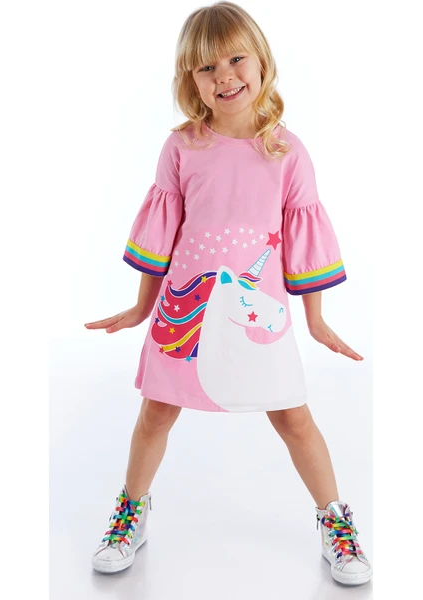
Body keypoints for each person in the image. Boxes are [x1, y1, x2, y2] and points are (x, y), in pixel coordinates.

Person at [85, 1, 372, 586]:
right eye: (206, 67)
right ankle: (130, 514)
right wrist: (142, 307)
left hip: (256, 318)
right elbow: (161, 233)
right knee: (155, 412)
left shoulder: (287, 152)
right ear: (190, 80)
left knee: (293, 419)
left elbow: (304, 237)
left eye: (236, 59)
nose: (225, 77)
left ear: (261, 62)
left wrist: (315, 319)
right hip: (185, 311)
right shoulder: (182, 148)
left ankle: (335, 522)